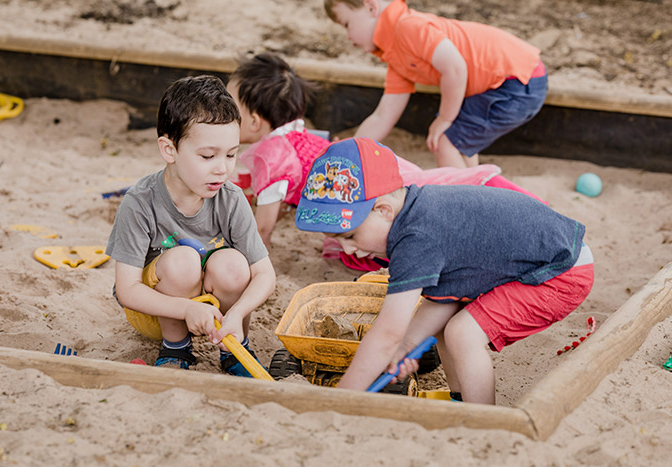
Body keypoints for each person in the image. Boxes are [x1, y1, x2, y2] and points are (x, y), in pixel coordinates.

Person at [295, 138, 594, 403]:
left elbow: (387, 332)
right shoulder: (416, 213)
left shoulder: (415, 238)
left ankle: (483, 421)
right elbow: (442, 301)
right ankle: (458, 401)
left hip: (559, 272)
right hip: (548, 260)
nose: (347, 250)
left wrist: (340, 397)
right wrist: (406, 345)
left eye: (349, 236)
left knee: (463, 333)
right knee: (443, 327)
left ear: (383, 210)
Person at [226, 52, 545, 271]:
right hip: (379, 174)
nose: (222, 115)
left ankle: (518, 208)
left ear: (254, 121)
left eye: (230, 107)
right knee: (433, 190)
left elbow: (263, 227)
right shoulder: (296, 134)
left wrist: (253, 262)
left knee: (438, 201)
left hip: (370, 193)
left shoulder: (270, 157)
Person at [105, 75, 276, 376]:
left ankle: (236, 347)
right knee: (182, 260)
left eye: (232, 154)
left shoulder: (231, 199)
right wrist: (186, 309)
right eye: (208, 156)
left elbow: (264, 273)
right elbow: (127, 289)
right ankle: (175, 347)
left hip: (218, 315)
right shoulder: (140, 203)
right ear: (169, 150)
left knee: (235, 264)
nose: (222, 168)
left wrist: (236, 314)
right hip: (157, 313)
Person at [324, 0, 548, 169]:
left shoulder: (408, 27)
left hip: (516, 81)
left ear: (370, 7)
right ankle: (477, 190)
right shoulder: (396, 56)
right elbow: (383, 115)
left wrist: (445, 118)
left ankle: (466, 206)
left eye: (346, 24)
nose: (348, 36)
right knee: (459, 143)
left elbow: (455, 68)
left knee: (444, 140)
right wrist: (351, 148)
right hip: (506, 82)